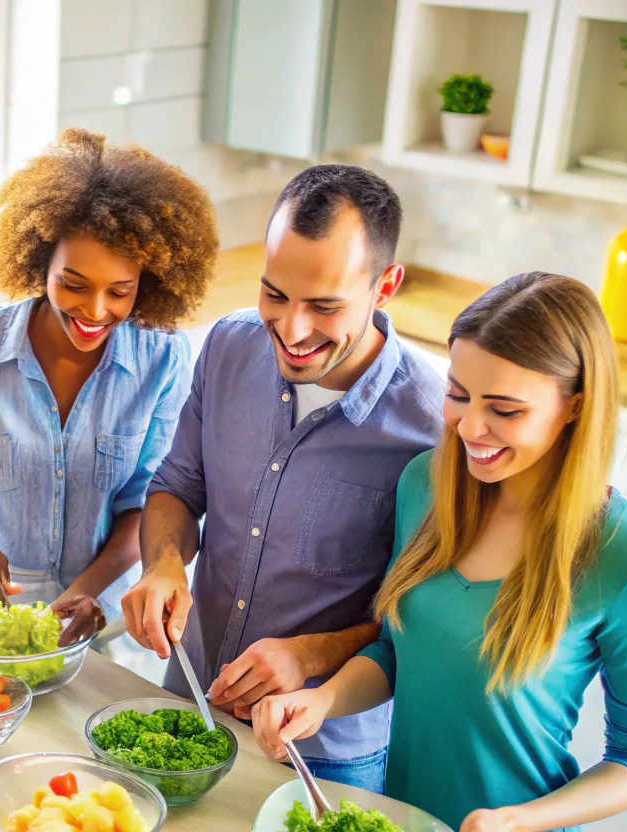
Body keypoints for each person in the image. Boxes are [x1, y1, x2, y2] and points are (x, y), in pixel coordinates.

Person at [252, 272, 627, 832]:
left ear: (576, 404)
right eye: (457, 394)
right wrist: (322, 700)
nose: (470, 428)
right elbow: (401, 650)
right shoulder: (427, 484)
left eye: (505, 410)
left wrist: (514, 820)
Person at [122, 164, 444, 792]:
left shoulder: (432, 428)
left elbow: (420, 618)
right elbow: (178, 486)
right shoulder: (227, 347)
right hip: (189, 702)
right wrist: (162, 564)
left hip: (322, 751)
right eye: (275, 294)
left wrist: (310, 654)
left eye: (325, 306)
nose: (293, 331)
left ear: (386, 286)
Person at [0, 127, 217, 639]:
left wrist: (88, 590)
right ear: (40, 260)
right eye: (72, 284)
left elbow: (145, 499)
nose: (96, 312)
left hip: (103, 615)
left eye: (119, 292)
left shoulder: (162, 359)